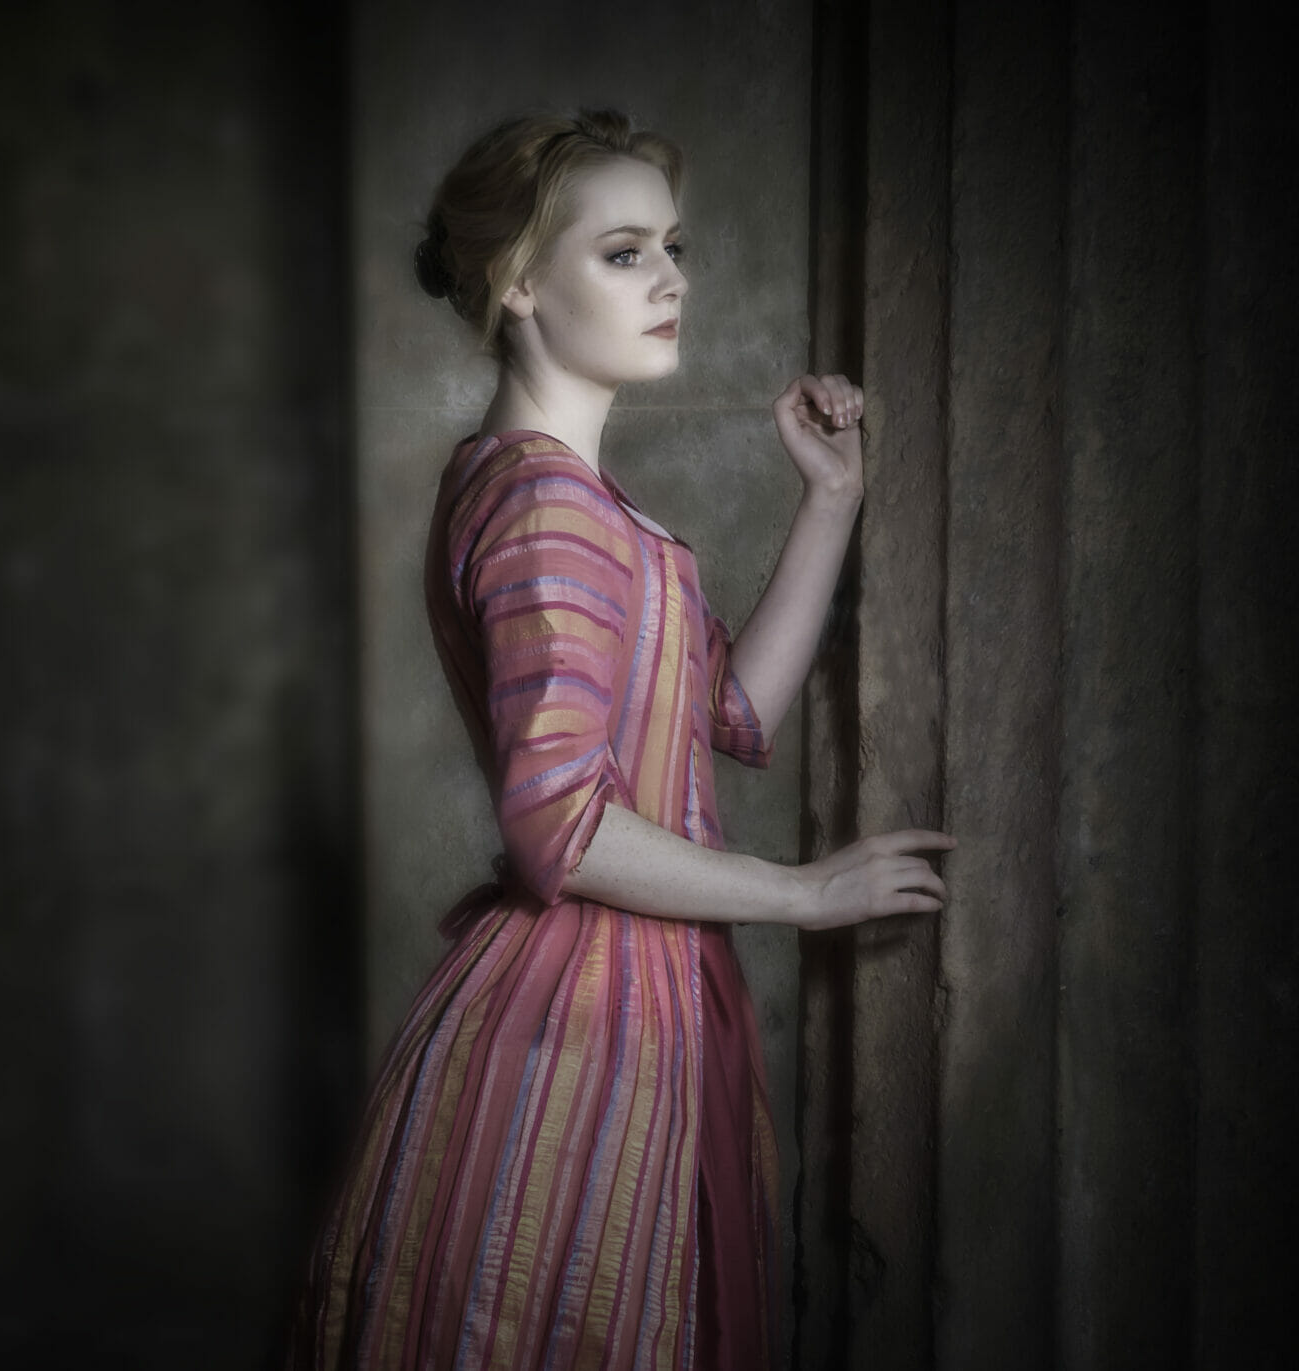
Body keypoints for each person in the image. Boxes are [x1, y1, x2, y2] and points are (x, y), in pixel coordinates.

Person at [290, 109, 954, 1371]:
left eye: (675, 247)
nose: (675, 280)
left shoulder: (549, 491)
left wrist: (831, 499)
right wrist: (803, 890)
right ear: (521, 282)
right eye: (626, 252)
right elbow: (560, 826)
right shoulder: (541, 500)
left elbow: (728, 720)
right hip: (576, 1029)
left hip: (620, 1012)